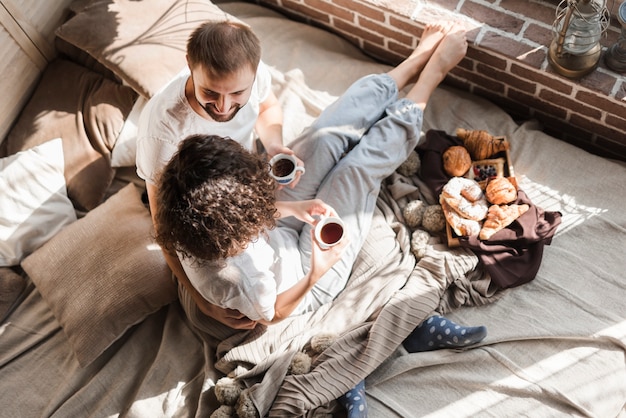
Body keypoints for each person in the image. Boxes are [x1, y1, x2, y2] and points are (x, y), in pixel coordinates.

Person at [154, 21, 487, 417]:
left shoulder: (199, 211)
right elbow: (276, 313)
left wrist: (290, 205)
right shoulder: (241, 280)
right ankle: (430, 77)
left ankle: (410, 64)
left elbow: (240, 214)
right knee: (356, 171)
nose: (225, 107)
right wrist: (317, 271)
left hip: (262, 227)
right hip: (300, 278)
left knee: (324, 137)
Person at [136, 20, 302, 304]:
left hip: (247, 176)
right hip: (209, 204)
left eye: (237, 94)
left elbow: (268, 107)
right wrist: (202, 303)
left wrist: (274, 144)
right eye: (210, 92)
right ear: (189, 64)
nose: (224, 108)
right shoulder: (161, 135)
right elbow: (163, 225)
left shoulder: (253, 73)